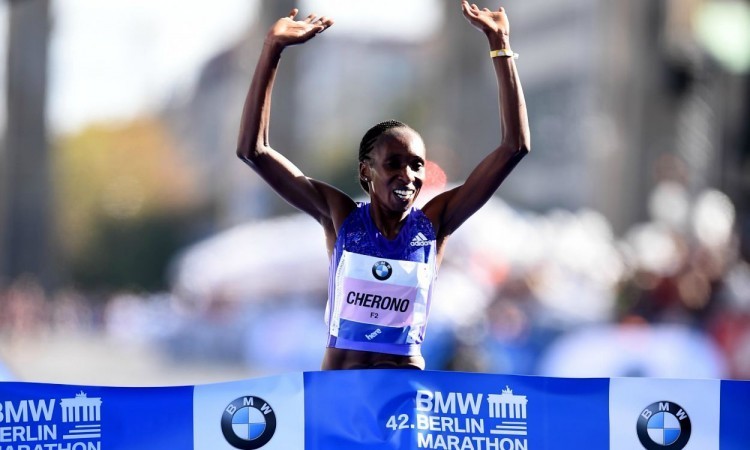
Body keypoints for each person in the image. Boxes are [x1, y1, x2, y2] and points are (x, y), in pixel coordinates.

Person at [237, 2, 530, 370]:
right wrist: (272, 49)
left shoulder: (434, 222)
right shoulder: (340, 214)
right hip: (340, 391)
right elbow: (253, 151)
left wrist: (501, 45)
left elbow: (514, 147)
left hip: (400, 395)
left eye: (416, 165)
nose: (407, 175)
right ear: (366, 172)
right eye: (393, 163)